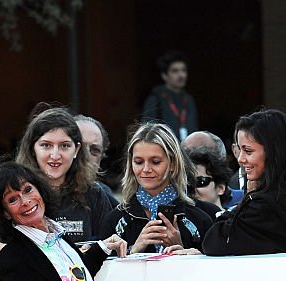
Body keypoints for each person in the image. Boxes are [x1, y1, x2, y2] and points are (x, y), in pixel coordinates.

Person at [0, 106, 115, 262]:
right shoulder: (8, 188)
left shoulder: (94, 193)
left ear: (76, 150)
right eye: (46, 145)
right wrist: (49, 254)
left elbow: (112, 246)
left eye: (64, 146)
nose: (55, 155)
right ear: (32, 148)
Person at [198, 109, 286, 256]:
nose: (240, 159)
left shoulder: (261, 208)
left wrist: (246, 200)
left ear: (273, 153)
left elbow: (214, 243)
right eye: (240, 150)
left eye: (248, 151)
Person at [98, 121, 211, 253]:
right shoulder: (115, 219)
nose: (146, 169)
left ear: (173, 164)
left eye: (155, 162)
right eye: (138, 162)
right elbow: (102, 271)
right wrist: (134, 251)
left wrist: (185, 253)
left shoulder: (201, 217)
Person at [142, 51, 198, 141]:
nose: (181, 75)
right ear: (164, 75)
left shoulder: (189, 100)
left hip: (187, 150)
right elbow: (147, 133)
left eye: (184, 70)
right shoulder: (155, 98)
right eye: (175, 71)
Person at [187, 147, 232, 216]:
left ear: (221, 188)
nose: (192, 189)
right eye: (188, 184)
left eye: (200, 182)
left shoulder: (236, 221)